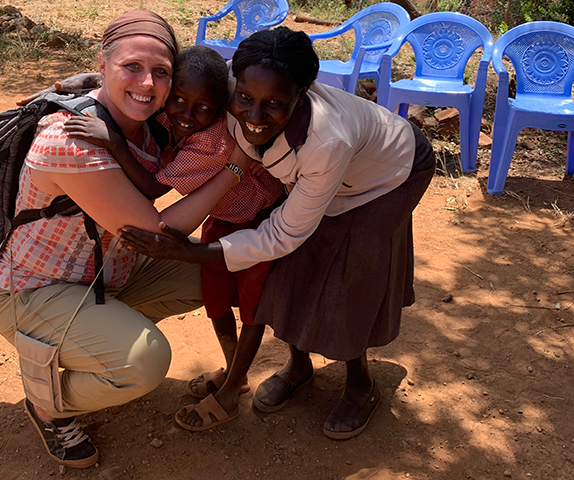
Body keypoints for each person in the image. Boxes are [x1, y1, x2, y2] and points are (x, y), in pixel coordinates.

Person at [118, 26, 435, 440]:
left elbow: (279, 236)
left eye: (274, 105)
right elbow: (171, 91)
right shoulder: (238, 80)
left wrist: (191, 253)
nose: (253, 116)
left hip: (390, 174)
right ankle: (299, 366)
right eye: (245, 99)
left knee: (349, 275)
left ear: (301, 94)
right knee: (291, 270)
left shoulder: (326, 141)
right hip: (326, 180)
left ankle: (360, 384)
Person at [0, 10, 252, 468]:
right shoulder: (71, 140)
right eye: (132, 67)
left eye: (161, 73)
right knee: (145, 362)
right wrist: (236, 168)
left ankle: (98, 337)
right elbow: (158, 234)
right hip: (32, 290)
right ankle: (48, 402)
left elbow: (220, 92)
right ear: (104, 63)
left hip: (106, 272)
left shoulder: (154, 117)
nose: (147, 84)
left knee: (212, 277)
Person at [62, 45, 284, 431]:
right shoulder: (174, 116)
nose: (185, 114)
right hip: (222, 217)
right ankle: (235, 371)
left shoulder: (211, 143)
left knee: (251, 309)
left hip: (259, 223)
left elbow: (152, 186)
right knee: (215, 301)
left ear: (220, 109)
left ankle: (231, 390)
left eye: (202, 108)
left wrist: (113, 141)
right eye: (178, 100)